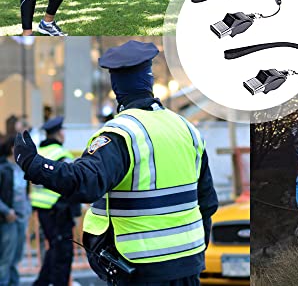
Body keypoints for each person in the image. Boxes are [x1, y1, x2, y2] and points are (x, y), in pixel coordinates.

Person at [14, 40, 218, 285]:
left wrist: (32, 163)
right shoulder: (186, 129)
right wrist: (192, 253)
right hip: (188, 266)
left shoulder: (123, 133)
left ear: (117, 87)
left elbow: (84, 182)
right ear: (149, 81)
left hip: (142, 269)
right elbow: (207, 202)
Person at [30, 116, 80, 286]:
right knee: (62, 254)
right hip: (58, 209)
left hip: (43, 209)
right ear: (59, 133)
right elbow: (72, 184)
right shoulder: (61, 153)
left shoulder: (39, 152)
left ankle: (41, 283)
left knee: (54, 250)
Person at [0, 137, 30, 286]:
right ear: (12, 148)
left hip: (21, 218)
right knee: (6, 258)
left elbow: (25, 193)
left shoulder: (21, 168)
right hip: (7, 220)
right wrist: (6, 211)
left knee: (16, 257)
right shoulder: (3, 169)